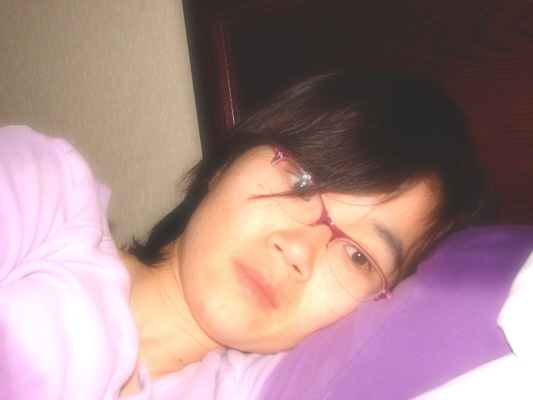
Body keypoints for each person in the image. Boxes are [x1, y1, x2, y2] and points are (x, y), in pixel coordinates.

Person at [0, 69, 490, 399]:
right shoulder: (46, 194)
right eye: (303, 180)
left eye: (359, 256)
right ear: (227, 165)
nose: (298, 249)